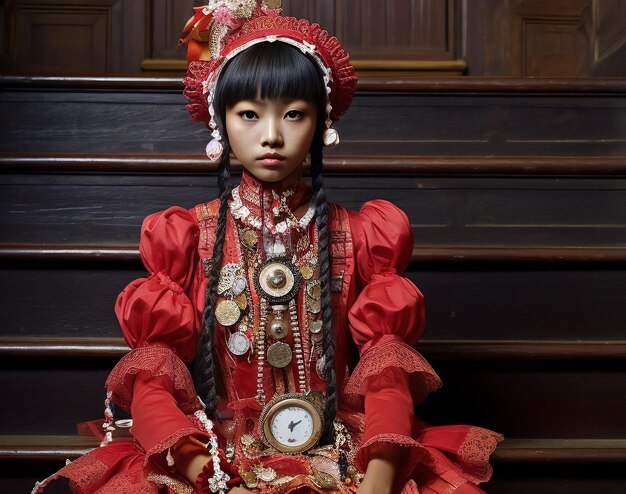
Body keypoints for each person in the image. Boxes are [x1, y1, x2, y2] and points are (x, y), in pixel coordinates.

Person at [33, 2, 502, 493]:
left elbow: (388, 376)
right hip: (219, 458)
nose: (272, 136)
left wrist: (379, 481)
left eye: (294, 114)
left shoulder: (363, 235)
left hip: (342, 449)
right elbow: (153, 384)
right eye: (250, 114)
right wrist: (208, 477)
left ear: (322, 122)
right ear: (222, 121)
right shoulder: (189, 237)